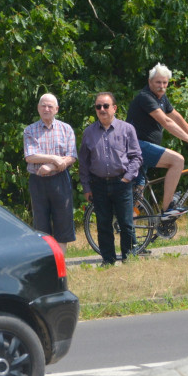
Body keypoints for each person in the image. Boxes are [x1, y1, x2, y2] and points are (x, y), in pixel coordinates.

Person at [126, 63, 188, 221]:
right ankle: (167, 209)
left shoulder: (161, 97)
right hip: (137, 146)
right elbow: (166, 122)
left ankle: (132, 240)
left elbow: (174, 116)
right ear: (150, 82)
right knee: (177, 161)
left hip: (142, 148)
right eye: (158, 82)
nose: (161, 86)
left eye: (164, 83)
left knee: (136, 197)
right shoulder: (145, 97)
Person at [78, 92, 142, 266]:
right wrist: (86, 187)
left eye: (106, 106)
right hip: (98, 184)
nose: (102, 110)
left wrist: (127, 178)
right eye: (98, 106)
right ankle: (108, 260)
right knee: (103, 225)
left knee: (126, 224)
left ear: (114, 108)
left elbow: (136, 157)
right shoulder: (89, 133)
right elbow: (83, 163)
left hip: (122, 182)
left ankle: (129, 258)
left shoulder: (127, 129)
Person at [23, 93, 77, 254]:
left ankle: (60, 260)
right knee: (41, 222)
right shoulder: (30, 130)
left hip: (60, 180)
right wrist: (53, 158)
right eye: (43, 106)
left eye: (50, 106)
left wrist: (51, 167)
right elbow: (30, 157)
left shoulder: (66, 129)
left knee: (63, 220)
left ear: (56, 109)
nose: (46, 109)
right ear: (38, 108)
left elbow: (71, 156)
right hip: (37, 181)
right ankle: (47, 260)